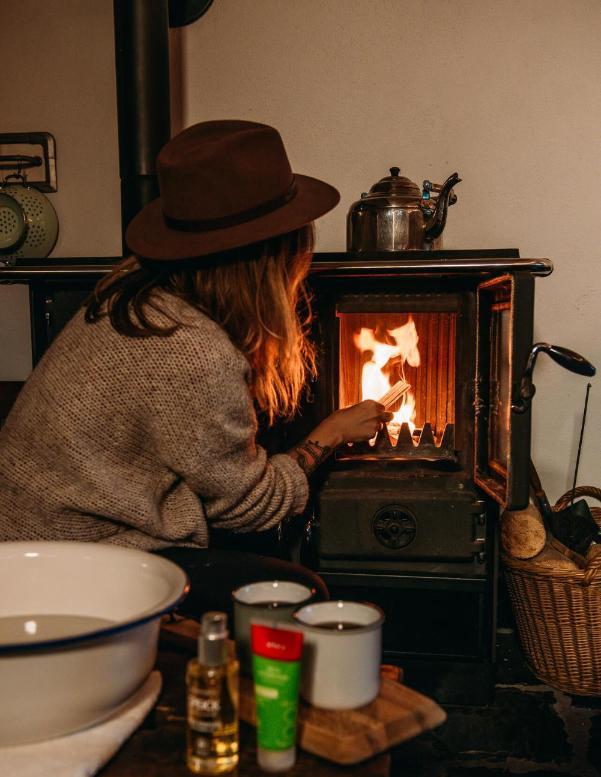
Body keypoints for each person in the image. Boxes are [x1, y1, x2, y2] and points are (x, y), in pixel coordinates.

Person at [0, 120, 392, 615]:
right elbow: (252, 506)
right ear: (274, 253)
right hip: (69, 565)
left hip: (25, 542)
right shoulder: (192, 349)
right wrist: (330, 434)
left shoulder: (132, 297)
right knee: (298, 593)